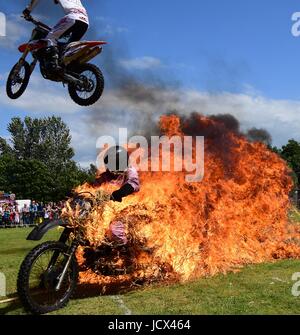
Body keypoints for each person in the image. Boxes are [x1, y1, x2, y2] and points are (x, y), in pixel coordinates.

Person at [93, 146, 140, 246]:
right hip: (109, 209)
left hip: (128, 209)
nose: (109, 168)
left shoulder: (130, 171)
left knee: (114, 230)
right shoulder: (107, 175)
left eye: (112, 164)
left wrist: (118, 193)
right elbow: (94, 186)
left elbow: (132, 185)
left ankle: (125, 250)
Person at [23, 0, 89, 71]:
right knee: (69, 47)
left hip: (72, 17)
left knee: (50, 37)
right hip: (85, 22)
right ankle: (68, 68)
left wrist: (28, 10)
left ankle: (52, 63)